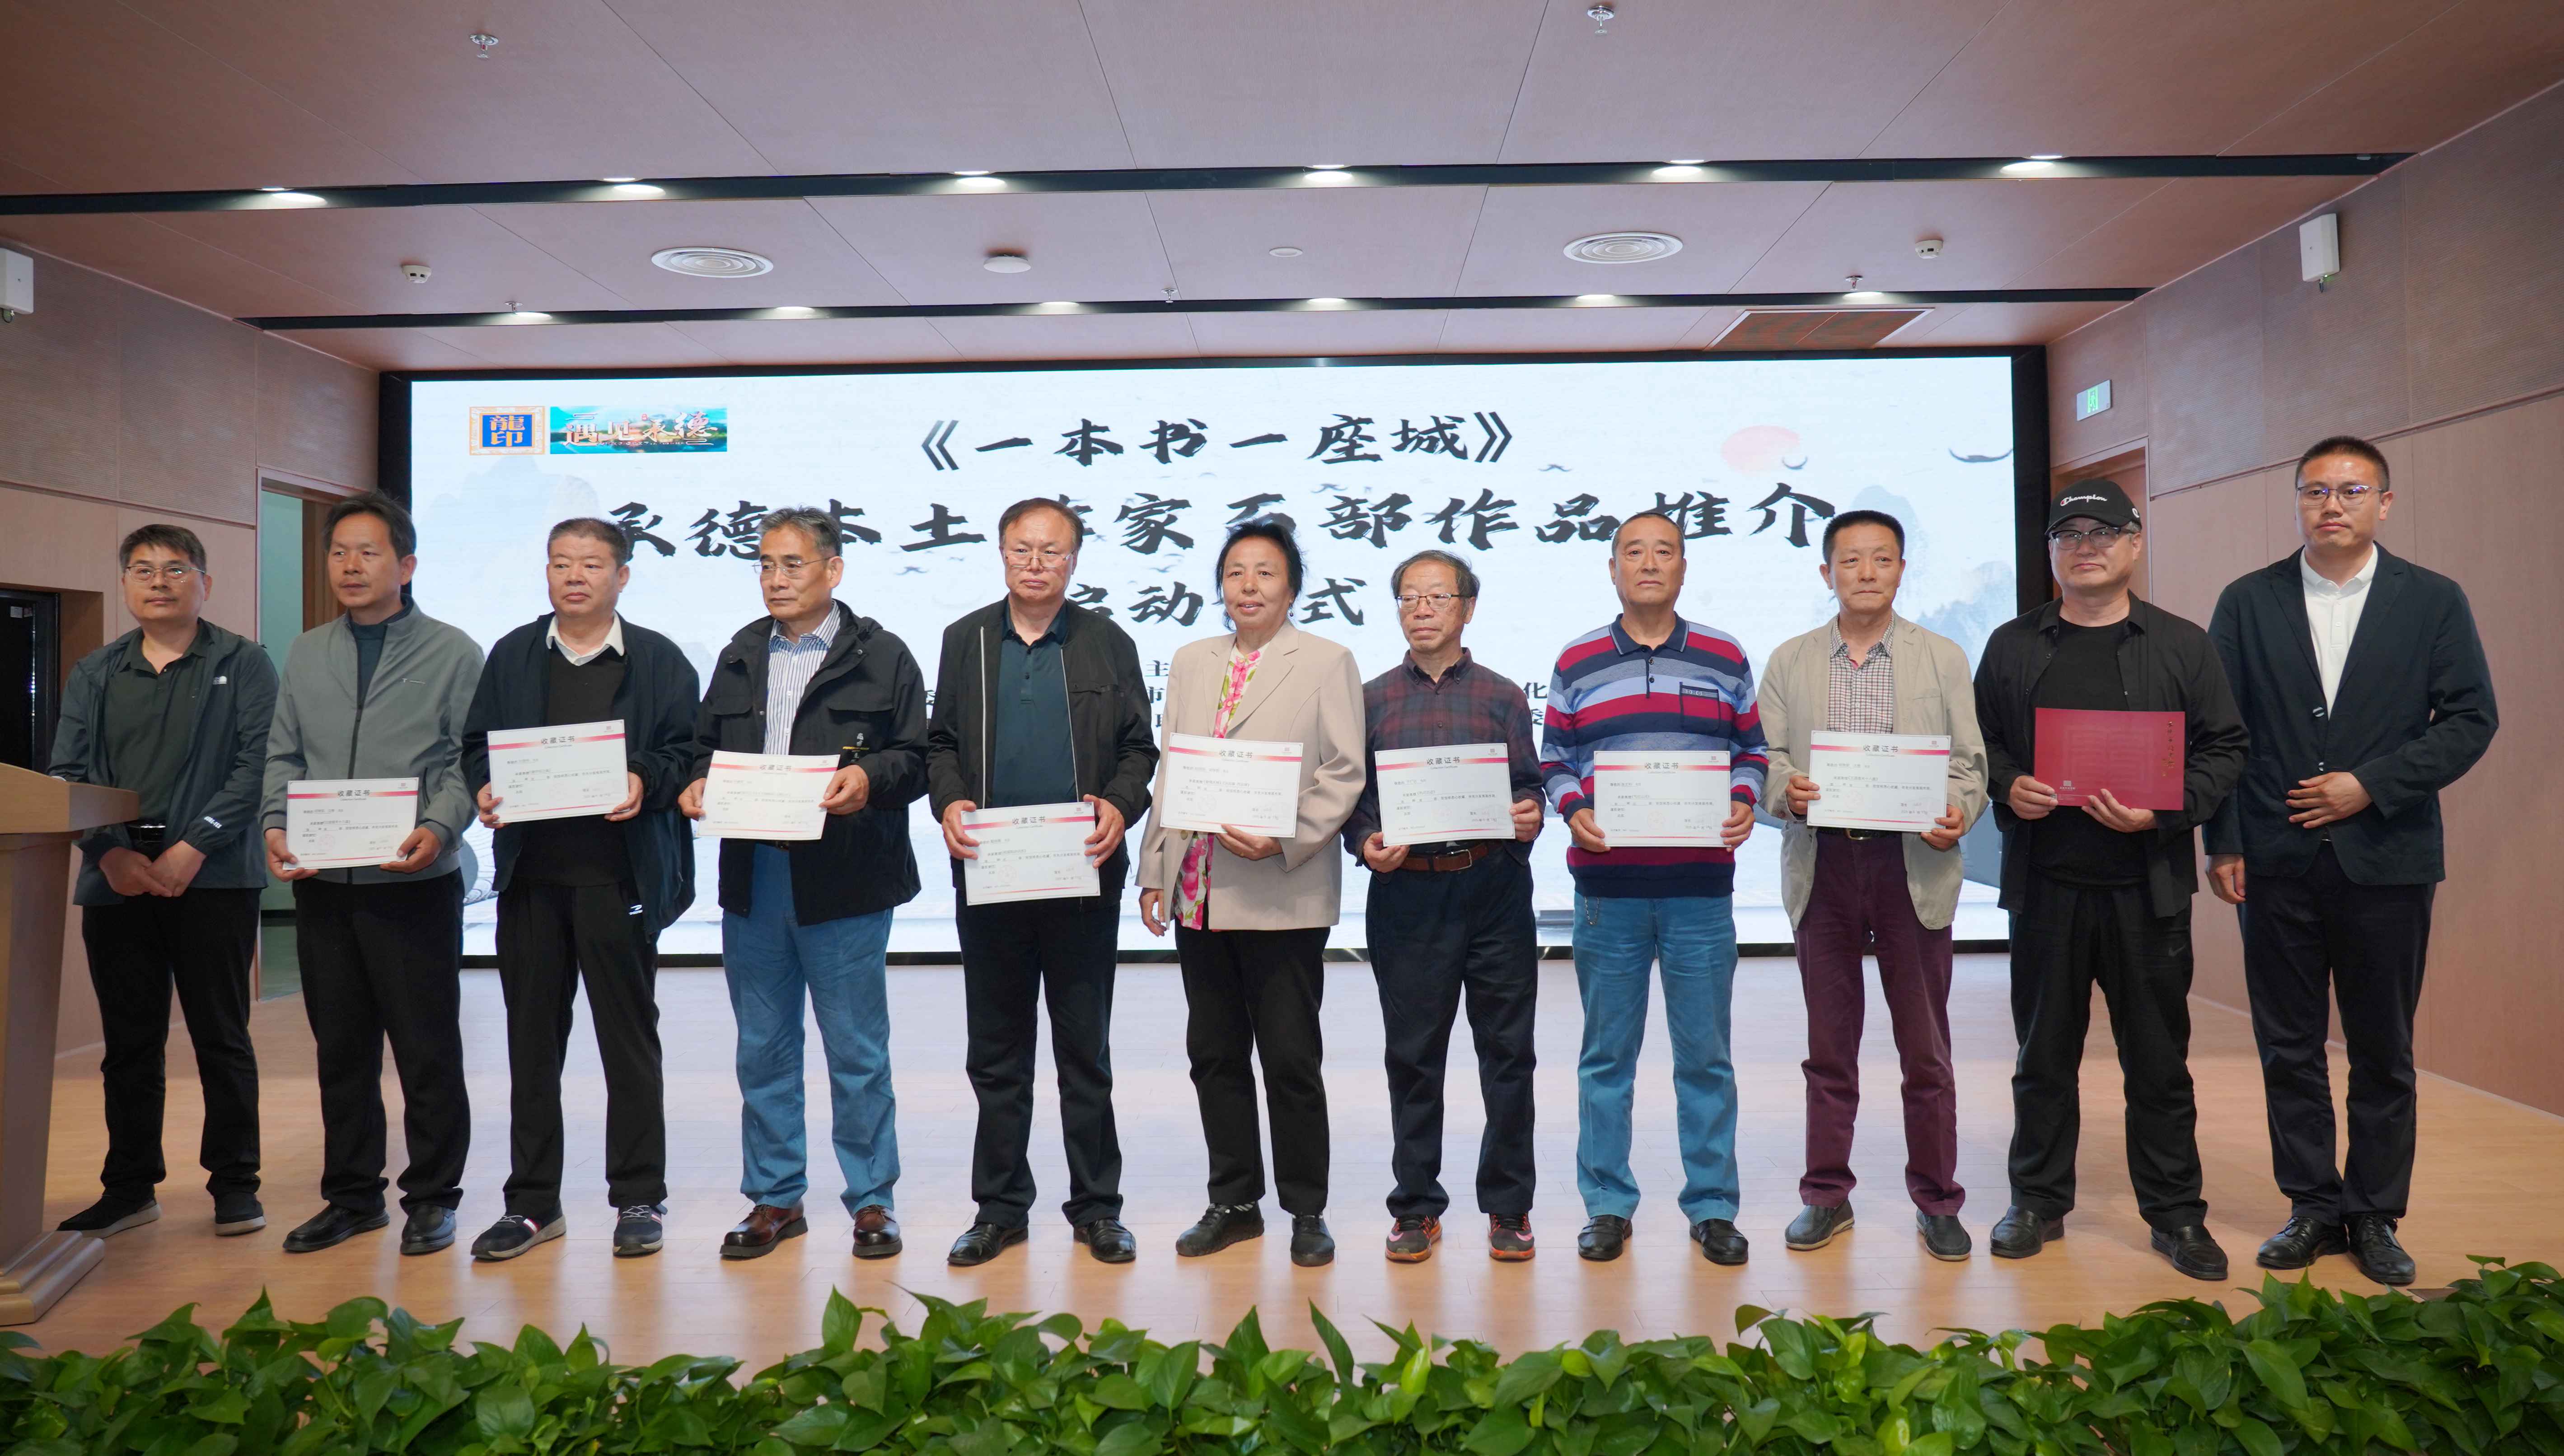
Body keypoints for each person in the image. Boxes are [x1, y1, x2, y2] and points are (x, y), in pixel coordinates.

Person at [2207, 436, 2496, 1287]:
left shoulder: (2432, 600)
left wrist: (2371, 784)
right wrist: (2224, 838)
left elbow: (2471, 719)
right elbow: (2220, 730)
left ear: (2385, 503)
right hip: (2273, 858)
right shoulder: (2248, 600)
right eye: (2315, 491)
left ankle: (2374, 1213)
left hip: (2390, 857)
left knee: (2383, 1050)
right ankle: (2310, 1206)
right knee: (2287, 1045)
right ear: (2298, 501)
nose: (2332, 505)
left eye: (2352, 490)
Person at [1971, 477, 2247, 1280]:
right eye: (2068, 535)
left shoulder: (2181, 645)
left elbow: (2226, 747)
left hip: (2145, 888)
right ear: (2051, 552)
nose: (2085, 547)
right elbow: (1981, 743)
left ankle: (2176, 1214)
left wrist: (2165, 811)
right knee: (2042, 1057)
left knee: (2158, 1061)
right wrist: (2008, 784)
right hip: (2047, 886)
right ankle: (2036, 1201)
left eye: (2103, 533)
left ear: (2134, 545)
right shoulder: (2014, 645)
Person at [678, 506, 928, 1261]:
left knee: (856, 1051)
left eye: (792, 564)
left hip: (846, 879)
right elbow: (702, 749)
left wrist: (868, 777)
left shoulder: (883, 655)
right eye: (764, 564)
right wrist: (697, 782)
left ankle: (873, 1200)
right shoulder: (740, 652)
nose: (776, 579)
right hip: (756, 876)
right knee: (763, 1047)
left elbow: (917, 758)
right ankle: (775, 1197)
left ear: (833, 570)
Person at [458, 518, 702, 1262]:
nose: (574, 576)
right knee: (532, 1045)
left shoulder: (658, 659)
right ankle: (532, 1204)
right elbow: (477, 744)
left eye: (592, 564)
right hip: (532, 880)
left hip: (618, 879)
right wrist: (485, 786)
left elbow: (687, 751)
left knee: (628, 1044)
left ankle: (639, 1196)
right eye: (561, 562)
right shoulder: (513, 654)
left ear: (621, 577)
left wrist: (644, 777)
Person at [927, 499, 1158, 1267]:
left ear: (1074, 561)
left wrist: (1120, 805)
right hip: (991, 873)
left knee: (1084, 1052)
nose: (1035, 563)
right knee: (997, 1053)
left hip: (1080, 873)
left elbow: (1139, 750)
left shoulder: (1107, 642)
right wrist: (949, 800)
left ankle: (1098, 1209)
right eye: (1022, 548)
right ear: (1001, 553)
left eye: (1051, 551)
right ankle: (999, 1210)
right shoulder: (965, 639)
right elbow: (940, 744)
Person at [1758, 510, 1988, 1261]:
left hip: (1910, 864)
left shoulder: (1942, 657)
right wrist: (1787, 791)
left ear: (1901, 570)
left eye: (1882, 559)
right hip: (1824, 864)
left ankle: (1938, 1199)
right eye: (1851, 560)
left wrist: (1958, 810)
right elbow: (1767, 758)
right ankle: (1826, 1196)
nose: (1866, 572)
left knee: (1926, 1050)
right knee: (1830, 1047)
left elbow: (1969, 763)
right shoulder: (1791, 660)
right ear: (1826, 573)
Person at [1540, 511, 1769, 1265]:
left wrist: (1743, 798)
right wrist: (1574, 809)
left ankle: (1712, 1207)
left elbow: (1752, 749)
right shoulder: (1577, 661)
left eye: (1663, 551)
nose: (1648, 563)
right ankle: (1607, 1205)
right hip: (1608, 891)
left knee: (1706, 1059)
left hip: (1700, 890)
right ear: (1612, 569)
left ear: (1683, 567)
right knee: (1607, 1059)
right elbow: (1554, 756)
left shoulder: (1723, 655)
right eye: (1633, 552)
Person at [1136, 518, 1365, 1267]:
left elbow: (1344, 772)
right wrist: (1154, 869)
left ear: (1292, 586)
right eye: (1236, 572)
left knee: (1291, 1060)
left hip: (1281, 890)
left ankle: (1307, 1209)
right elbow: (1174, 769)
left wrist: (1287, 836)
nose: (1249, 586)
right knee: (1215, 1055)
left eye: (1265, 572)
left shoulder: (1327, 661)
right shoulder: (1193, 660)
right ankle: (1234, 1202)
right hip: (1200, 890)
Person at [261, 492, 484, 1256]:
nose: (350, 566)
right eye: (339, 553)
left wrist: (439, 825)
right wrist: (275, 823)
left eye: (369, 552)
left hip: (414, 883)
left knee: (427, 1050)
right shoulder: (307, 652)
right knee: (342, 1051)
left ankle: (433, 1197)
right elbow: (284, 754)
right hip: (325, 884)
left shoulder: (453, 651)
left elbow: (466, 759)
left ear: (406, 565)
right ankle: (353, 1197)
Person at [46, 524, 277, 1240]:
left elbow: (257, 767)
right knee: (129, 1044)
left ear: (204, 583)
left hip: (216, 879)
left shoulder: (244, 663)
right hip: (118, 882)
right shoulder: (96, 671)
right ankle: (129, 1187)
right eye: (143, 570)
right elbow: (67, 774)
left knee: (222, 1037)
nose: (159, 582)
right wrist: (110, 854)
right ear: (125, 585)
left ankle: (235, 1185)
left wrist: (193, 847)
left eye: (176, 569)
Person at [1341, 550, 1544, 1263]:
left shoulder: (1502, 696)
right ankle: (1416, 1207)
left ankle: (1509, 1205)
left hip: (1493, 890)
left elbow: (1528, 786)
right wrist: (1365, 841)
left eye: (1437, 596)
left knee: (1508, 1054)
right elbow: (1353, 801)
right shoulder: (1368, 699)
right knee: (1414, 1057)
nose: (1421, 609)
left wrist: (1530, 814)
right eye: (1409, 597)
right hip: (1407, 893)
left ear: (1468, 608)